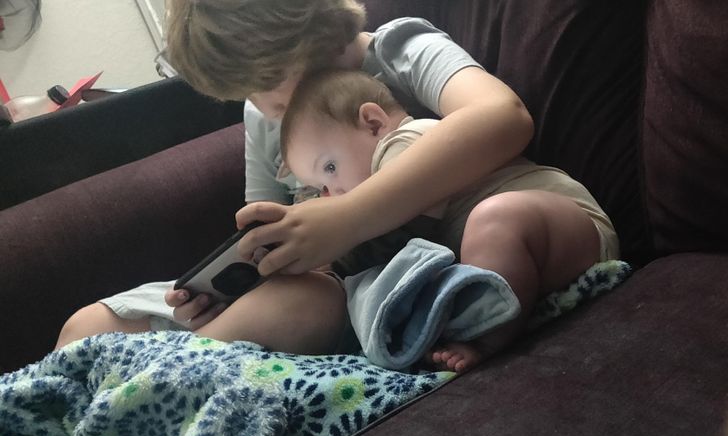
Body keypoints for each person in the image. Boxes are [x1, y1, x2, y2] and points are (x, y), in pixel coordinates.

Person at [55, 0, 537, 371]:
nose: (264, 108)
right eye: (245, 91)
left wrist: (348, 218)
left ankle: (162, 379)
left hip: (355, 289)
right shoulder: (262, 114)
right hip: (295, 285)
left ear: (316, 33)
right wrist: (234, 283)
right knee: (88, 325)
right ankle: (174, 361)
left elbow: (503, 116)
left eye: (268, 84)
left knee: (295, 306)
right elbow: (266, 231)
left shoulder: (398, 50)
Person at [276, 68, 620, 371]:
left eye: (331, 168)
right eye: (321, 188)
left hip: (572, 228)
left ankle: (487, 339)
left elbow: (398, 237)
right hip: (537, 262)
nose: (333, 193)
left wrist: (333, 254)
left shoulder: (405, 143)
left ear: (373, 123)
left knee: (495, 219)